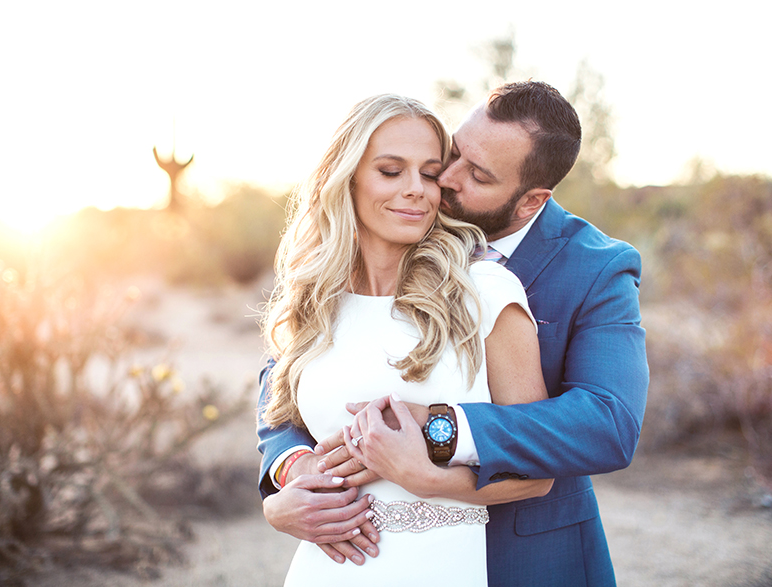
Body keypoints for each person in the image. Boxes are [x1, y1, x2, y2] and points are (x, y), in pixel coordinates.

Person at [258, 81, 649, 587]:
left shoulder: (583, 270)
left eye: (477, 174)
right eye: (454, 153)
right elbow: (285, 379)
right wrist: (290, 475)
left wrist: (438, 432)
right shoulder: (327, 282)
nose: (442, 180)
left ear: (531, 201)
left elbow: (608, 424)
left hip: (524, 552)